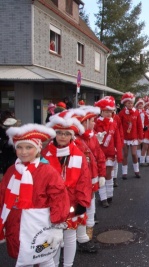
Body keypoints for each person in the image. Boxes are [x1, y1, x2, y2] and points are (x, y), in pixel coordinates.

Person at [0, 123, 70, 266]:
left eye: (29, 147)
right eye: (19, 147)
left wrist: (57, 227)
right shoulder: (11, 171)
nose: (23, 152)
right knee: (23, 259)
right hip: (17, 224)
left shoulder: (47, 172)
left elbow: (59, 199)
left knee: (45, 259)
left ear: (37, 149)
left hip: (41, 225)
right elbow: (3, 197)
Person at [43, 111, 92, 267]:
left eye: (66, 133)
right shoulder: (45, 154)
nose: (63, 137)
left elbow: (84, 179)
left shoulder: (78, 155)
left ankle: (68, 264)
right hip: (51, 203)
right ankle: (54, 263)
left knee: (70, 235)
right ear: (54, 134)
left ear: (72, 136)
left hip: (72, 201)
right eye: (59, 133)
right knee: (54, 237)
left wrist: (82, 202)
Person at [68, 107, 106, 253]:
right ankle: (80, 236)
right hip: (78, 181)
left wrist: (101, 174)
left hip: (90, 178)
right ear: (82, 123)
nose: (94, 124)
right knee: (80, 207)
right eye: (91, 121)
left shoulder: (91, 137)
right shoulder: (76, 140)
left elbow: (99, 156)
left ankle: (86, 233)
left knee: (88, 203)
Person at [94, 96, 123, 207]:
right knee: (101, 174)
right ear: (101, 112)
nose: (108, 114)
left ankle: (109, 195)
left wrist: (119, 153)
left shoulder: (113, 123)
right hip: (99, 153)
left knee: (109, 174)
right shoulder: (96, 123)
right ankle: (103, 198)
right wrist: (98, 137)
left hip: (111, 152)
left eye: (110, 112)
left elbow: (117, 140)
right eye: (106, 112)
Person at [118, 92, 143, 179]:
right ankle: (124, 172)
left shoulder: (136, 113)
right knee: (125, 154)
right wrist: (119, 137)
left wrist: (140, 137)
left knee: (133, 154)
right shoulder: (121, 113)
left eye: (131, 103)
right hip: (124, 137)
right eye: (128, 103)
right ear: (125, 103)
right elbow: (119, 125)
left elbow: (139, 125)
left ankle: (136, 170)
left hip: (134, 137)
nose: (130, 104)